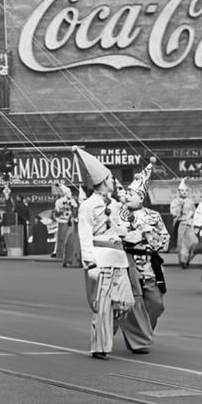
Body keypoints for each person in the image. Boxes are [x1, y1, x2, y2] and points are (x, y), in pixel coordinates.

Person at [74, 147, 134, 360]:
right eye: (110, 178)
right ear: (104, 181)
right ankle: (100, 346)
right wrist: (90, 263)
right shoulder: (87, 207)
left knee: (126, 302)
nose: (113, 181)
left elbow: (120, 227)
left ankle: (106, 331)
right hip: (101, 259)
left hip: (119, 258)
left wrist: (126, 232)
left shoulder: (115, 204)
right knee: (102, 306)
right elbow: (84, 235)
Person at [115, 167, 170, 354]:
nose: (128, 196)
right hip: (125, 265)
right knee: (128, 304)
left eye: (132, 193)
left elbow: (165, 240)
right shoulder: (117, 213)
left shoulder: (154, 216)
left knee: (156, 304)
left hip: (147, 266)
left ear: (141, 197)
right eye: (127, 192)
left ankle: (143, 332)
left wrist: (145, 235)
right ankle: (136, 338)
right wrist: (127, 236)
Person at [168, 179, 197, 269]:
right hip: (181, 224)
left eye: (186, 191)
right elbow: (173, 213)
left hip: (190, 223)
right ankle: (183, 260)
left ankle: (188, 257)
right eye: (182, 191)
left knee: (194, 242)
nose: (184, 193)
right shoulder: (175, 201)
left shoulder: (190, 201)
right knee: (182, 243)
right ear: (179, 192)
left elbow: (194, 211)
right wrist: (179, 207)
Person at [53, 183, 80, 267]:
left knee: (70, 240)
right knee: (63, 239)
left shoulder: (72, 201)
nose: (69, 194)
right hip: (62, 221)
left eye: (70, 192)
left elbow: (76, 209)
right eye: (68, 193)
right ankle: (62, 255)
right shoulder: (59, 201)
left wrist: (73, 207)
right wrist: (62, 206)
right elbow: (56, 211)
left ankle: (70, 257)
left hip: (70, 221)